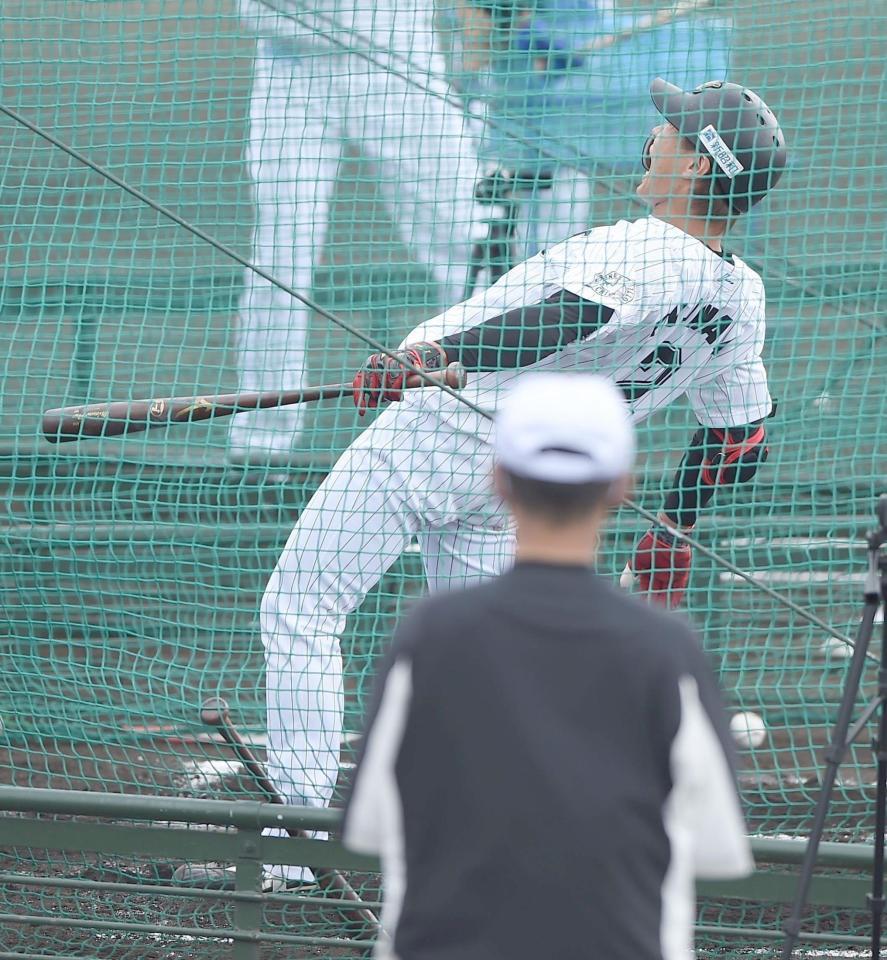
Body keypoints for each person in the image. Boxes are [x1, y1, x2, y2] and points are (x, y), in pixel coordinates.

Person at [180, 74, 785, 889]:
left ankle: (294, 848)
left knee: (303, 605)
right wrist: (671, 530)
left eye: (674, 133)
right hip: (518, 480)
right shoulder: (740, 297)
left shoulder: (644, 246)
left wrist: (434, 357)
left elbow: (567, 319)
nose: (655, 139)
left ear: (702, 170)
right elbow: (740, 436)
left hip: (440, 437)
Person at [342, 371, 753, 960]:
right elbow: (713, 845)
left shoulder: (432, 633)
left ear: (500, 479)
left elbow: (373, 826)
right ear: (619, 485)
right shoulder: (665, 646)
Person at [229, 0, 491, 458]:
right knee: (280, 257)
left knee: (465, 238)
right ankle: (260, 448)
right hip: (290, 61)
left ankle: (486, 411)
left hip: (395, 52)